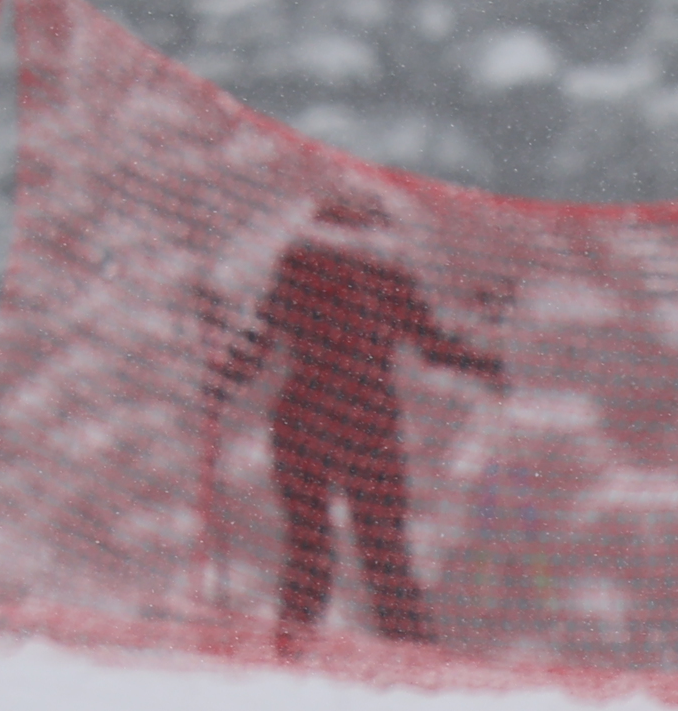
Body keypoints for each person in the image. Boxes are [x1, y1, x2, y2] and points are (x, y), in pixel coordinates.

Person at [200, 189, 502, 648]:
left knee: (310, 545)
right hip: (365, 423)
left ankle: (295, 648)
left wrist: (222, 372)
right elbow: (434, 345)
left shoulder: (298, 269)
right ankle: (412, 653)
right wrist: (485, 358)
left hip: (302, 419)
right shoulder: (384, 275)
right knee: (384, 549)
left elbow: (257, 345)